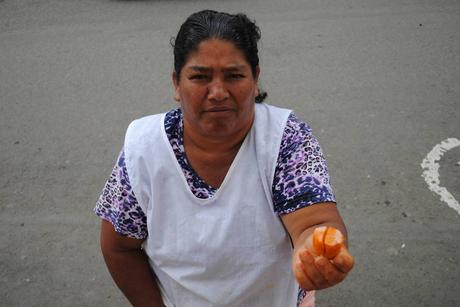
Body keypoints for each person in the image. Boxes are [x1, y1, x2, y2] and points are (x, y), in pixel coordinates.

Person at [94, 10, 354, 307]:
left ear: (255, 79)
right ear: (177, 84)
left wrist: (316, 253)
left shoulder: (285, 138)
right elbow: (119, 247)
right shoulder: (143, 147)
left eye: (234, 75)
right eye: (200, 77)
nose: (217, 92)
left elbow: (314, 222)